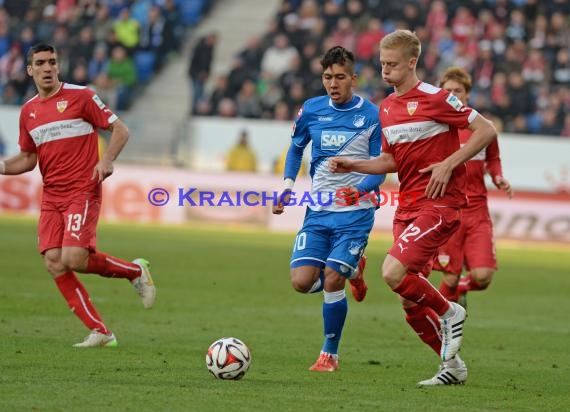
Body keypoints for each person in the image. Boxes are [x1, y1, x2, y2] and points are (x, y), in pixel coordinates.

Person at [329, 30, 497, 385]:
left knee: (392, 272)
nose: (385, 71)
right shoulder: (387, 108)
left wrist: (449, 163)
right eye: (382, 64)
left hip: (439, 203)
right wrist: (354, 164)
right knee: (409, 303)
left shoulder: (436, 98)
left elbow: (485, 130)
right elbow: (391, 161)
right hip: (407, 207)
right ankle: (452, 368)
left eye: (392, 65)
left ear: (411, 62)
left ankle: (451, 311)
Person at [0, 43, 156, 348]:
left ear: (58, 66)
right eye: (41, 63)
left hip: (82, 189)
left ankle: (136, 271)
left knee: (73, 257)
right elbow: (29, 158)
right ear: (30, 70)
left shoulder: (81, 96)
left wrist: (106, 159)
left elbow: (121, 130)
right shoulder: (28, 111)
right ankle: (101, 331)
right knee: (54, 262)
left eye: (52, 62)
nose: (47, 68)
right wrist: (3, 166)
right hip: (51, 196)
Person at [272, 46, 385, 372]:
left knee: (333, 278)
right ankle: (354, 269)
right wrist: (287, 187)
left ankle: (329, 354)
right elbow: (295, 149)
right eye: (327, 77)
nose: (332, 84)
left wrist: (358, 190)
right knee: (301, 281)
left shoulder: (372, 115)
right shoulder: (311, 110)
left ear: (353, 78)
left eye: (339, 77)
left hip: (356, 212)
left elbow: (381, 167)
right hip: (318, 210)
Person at [433, 67, 513, 308]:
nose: (453, 95)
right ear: (441, 93)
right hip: (449, 210)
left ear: (467, 94)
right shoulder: (435, 127)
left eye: (458, 90)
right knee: (449, 275)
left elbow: (493, 159)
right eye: (448, 91)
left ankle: (460, 290)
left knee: (483, 276)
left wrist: (498, 177)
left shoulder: (483, 127)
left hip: (477, 211)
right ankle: (446, 327)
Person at [188, 32, 217, 115]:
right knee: (197, 93)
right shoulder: (200, 47)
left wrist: (206, 73)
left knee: (200, 93)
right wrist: (200, 73)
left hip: (201, 75)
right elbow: (197, 62)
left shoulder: (210, 48)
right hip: (196, 74)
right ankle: (194, 111)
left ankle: (198, 110)